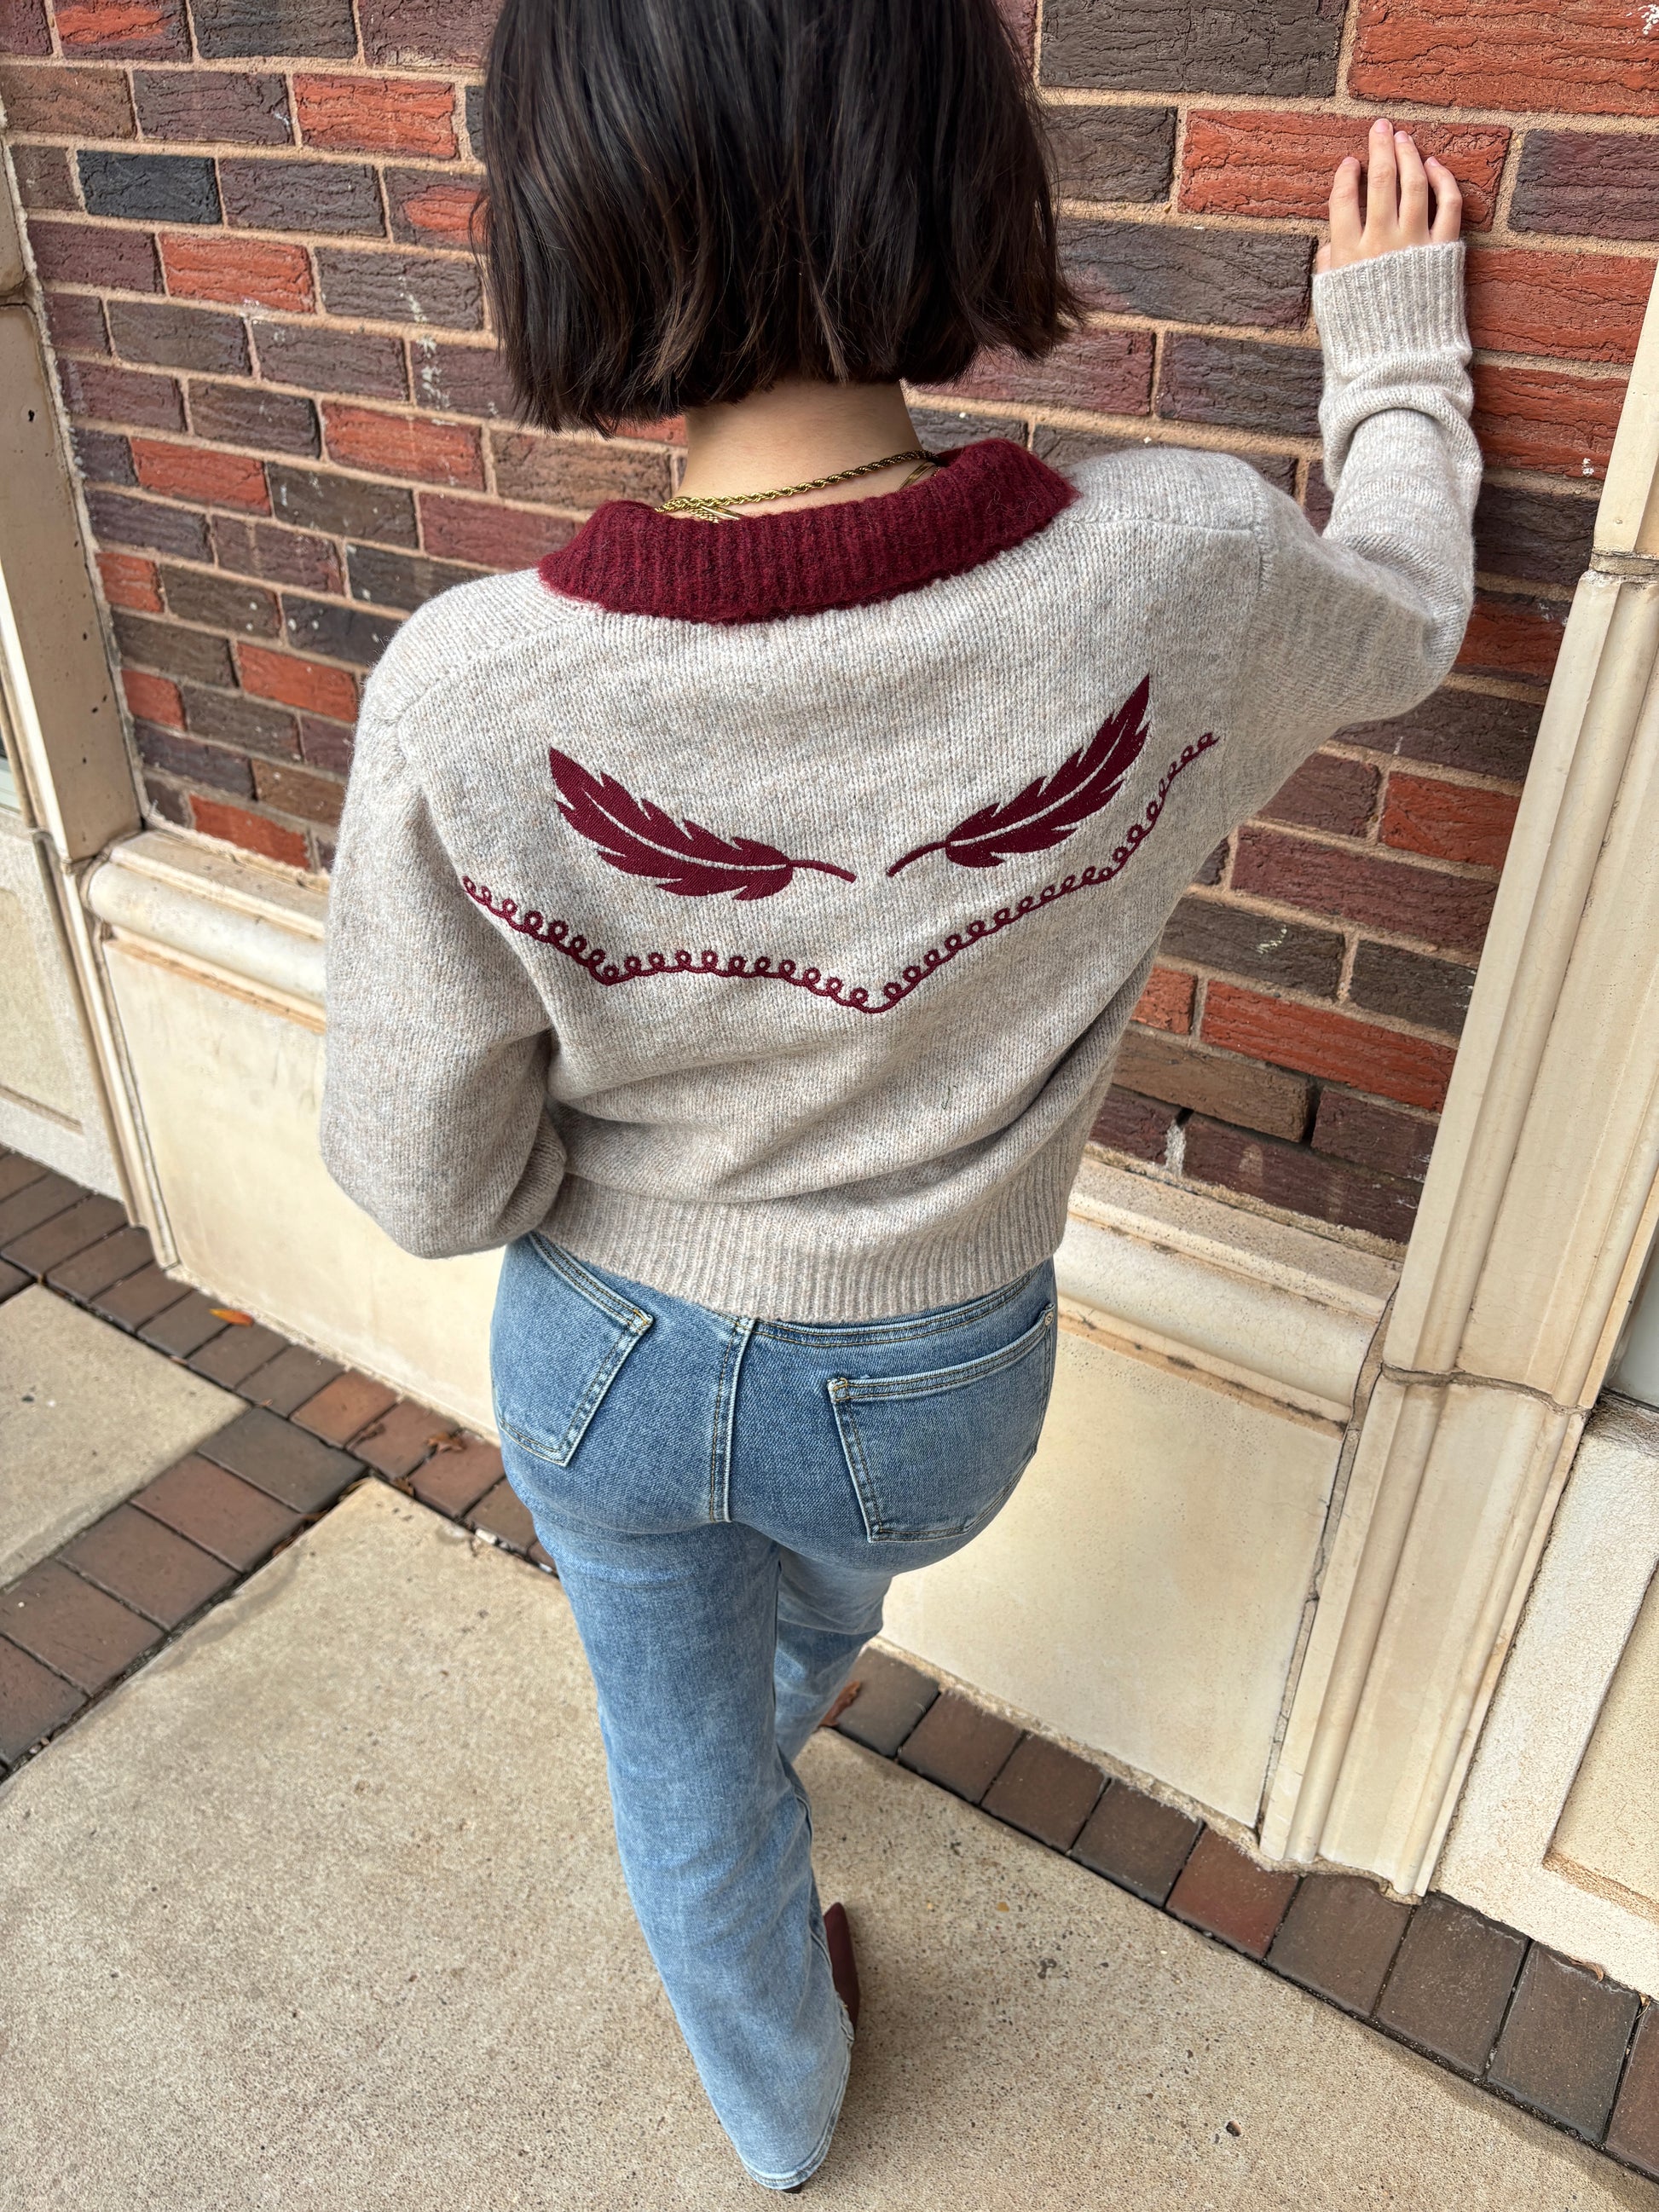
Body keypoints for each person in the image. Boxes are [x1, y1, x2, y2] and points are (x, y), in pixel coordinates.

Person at [321, 0, 1475, 2189]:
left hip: (604, 1359)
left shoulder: (467, 688)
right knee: (817, 1595)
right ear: (958, 152)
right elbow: (1407, 614)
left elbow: (420, 1171)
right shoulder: (1180, 568)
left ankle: (778, 2110)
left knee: (676, 1771)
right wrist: (1395, 355)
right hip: (938, 1384)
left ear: (560, 209)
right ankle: (765, 1732)